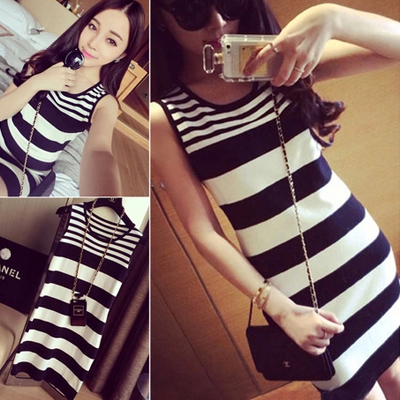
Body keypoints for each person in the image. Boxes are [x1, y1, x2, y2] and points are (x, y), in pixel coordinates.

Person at [150, 1, 400, 399]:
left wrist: (330, 17)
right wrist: (280, 310)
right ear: (162, 19)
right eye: (192, 11)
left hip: (365, 261)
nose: (218, 23)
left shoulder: (280, 65)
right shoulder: (166, 117)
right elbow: (204, 232)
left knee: (396, 381)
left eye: (229, 3)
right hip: (296, 299)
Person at [0, 0, 144, 196]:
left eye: (111, 41)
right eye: (93, 27)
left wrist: (106, 203)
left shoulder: (103, 104)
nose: (93, 43)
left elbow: (99, 151)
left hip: (23, 171)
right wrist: (37, 82)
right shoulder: (43, 61)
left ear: (123, 53)